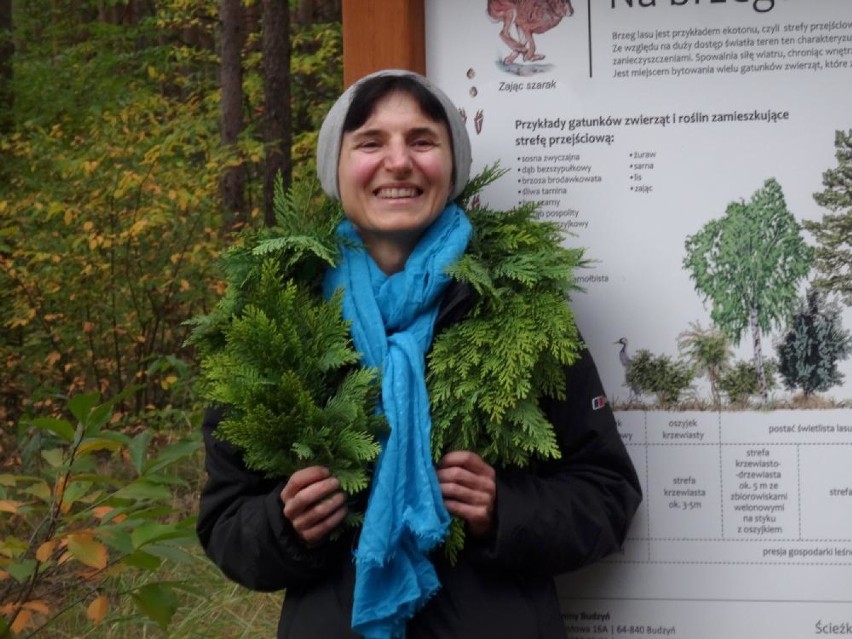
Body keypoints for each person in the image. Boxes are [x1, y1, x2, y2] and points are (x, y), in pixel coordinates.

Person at [197, 69, 642, 639]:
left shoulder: (521, 309)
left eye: (423, 140)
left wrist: (504, 510)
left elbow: (607, 493)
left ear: (452, 165)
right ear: (336, 167)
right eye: (371, 142)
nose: (399, 162)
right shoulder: (274, 319)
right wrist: (284, 526)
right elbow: (224, 524)